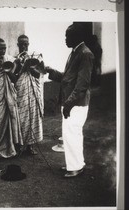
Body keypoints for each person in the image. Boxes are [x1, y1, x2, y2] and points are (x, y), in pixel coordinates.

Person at [45, 24, 94, 178]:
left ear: (78, 37)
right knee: (70, 135)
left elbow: (82, 85)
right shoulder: (75, 52)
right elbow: (67, 78)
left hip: (76, 103)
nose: (65, 39)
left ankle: (76, 167)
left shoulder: (85, 54)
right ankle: (75, 164)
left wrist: (68, 104)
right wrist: (49, 70)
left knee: (73, 134)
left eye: (68, 36)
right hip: (72, 102)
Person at [0, 38, 23, 158]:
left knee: (11, 119)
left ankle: (11, 147)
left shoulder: (10, 61)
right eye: (0, 48)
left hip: (8, 96)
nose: (3, 51)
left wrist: (8, 71)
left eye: (4, 48)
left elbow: (15, 80)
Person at [14, 35, 44, 155]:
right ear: (18, 45)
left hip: (33, 90)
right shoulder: (15, 59)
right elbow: (14, 77)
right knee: (21, 116)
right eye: (21, 44)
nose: (23, 46)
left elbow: (39, 74)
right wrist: (21, 66)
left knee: (33, 116)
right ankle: (21, 145)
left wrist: (31, 67)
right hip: (21, 89)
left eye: (25, 44)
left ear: (29, 44)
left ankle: (30, 145)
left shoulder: (35, 57)